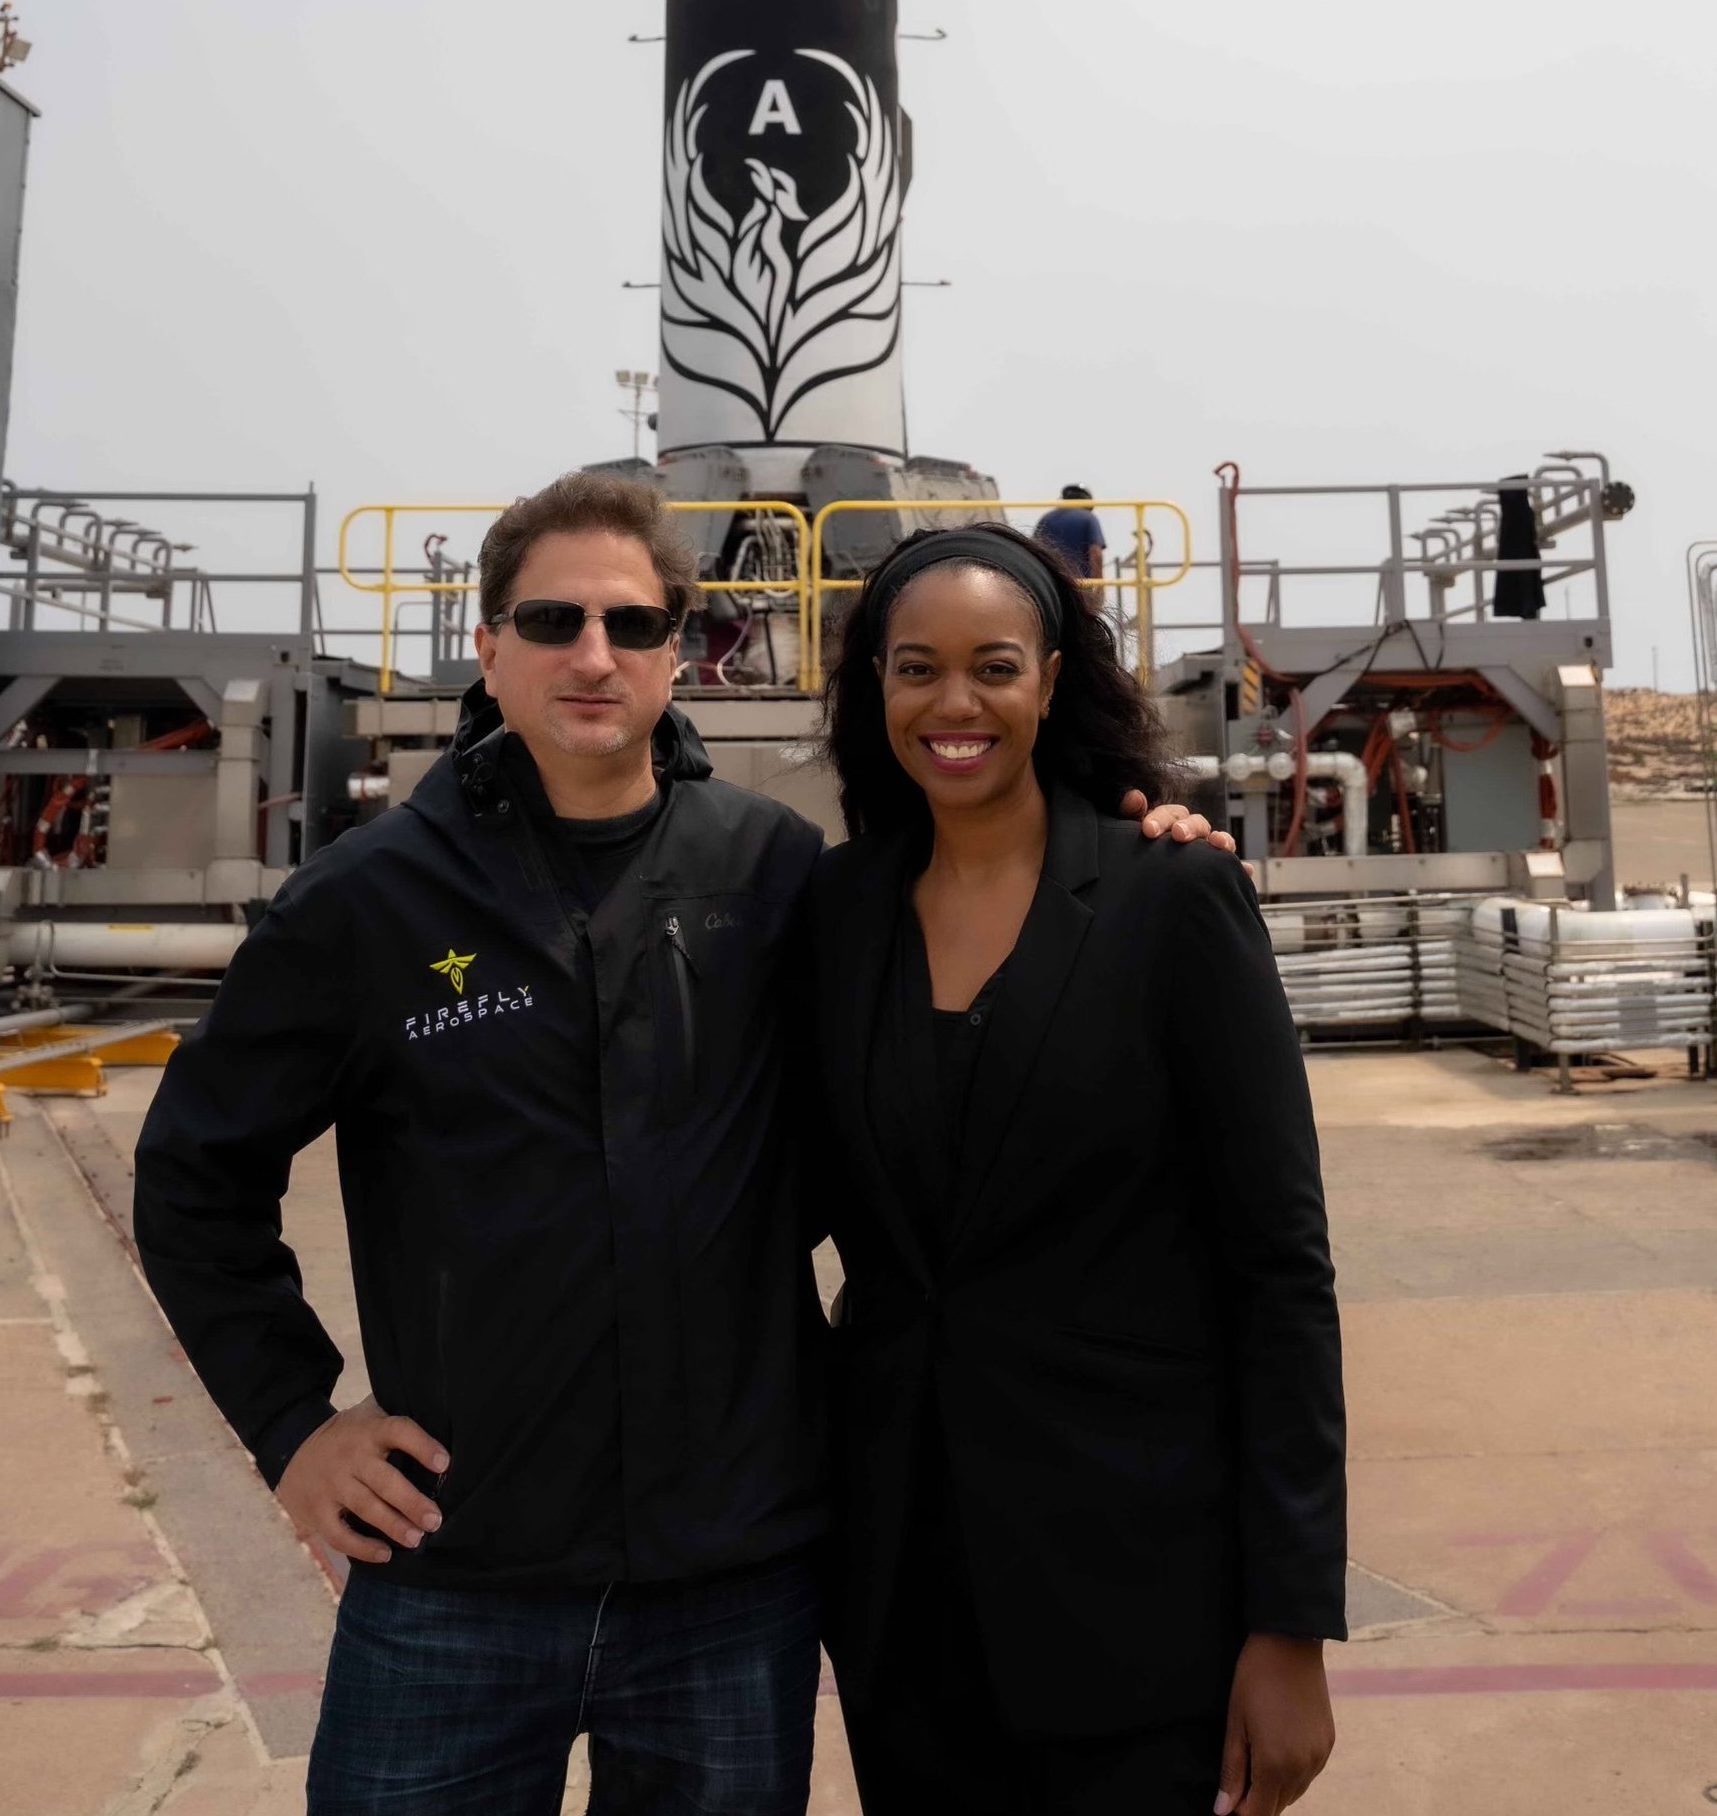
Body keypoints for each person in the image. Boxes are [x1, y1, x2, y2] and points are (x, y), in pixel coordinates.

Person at [132, 473, 1231, 1816]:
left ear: (679, 650)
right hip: (459, 1583)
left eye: (631, 625)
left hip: (728, 1592)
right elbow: (195, 1177)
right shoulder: (364, 904)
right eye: (550, 621)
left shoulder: (774, 877)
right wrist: (295, 1424)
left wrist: (1130, 840)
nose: (592, 656)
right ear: (487, 649)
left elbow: (975, 931)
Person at [810, 523, 1346, 1816]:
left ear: (1049, 681)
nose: (954, 703)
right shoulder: (832, 918)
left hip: (1139, 1608)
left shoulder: (1170, 902)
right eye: (913, 668)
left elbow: (1278, 1272)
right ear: (871, 689)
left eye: (992, 665)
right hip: (901, 1611)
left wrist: (1288, 1626)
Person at [1033, 483, 1106, 582]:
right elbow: (1096, 553)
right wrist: (1099, 586)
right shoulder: (1089, 518)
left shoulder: (1047, 518)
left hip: (1052, 583)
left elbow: (1034, 550)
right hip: (1080, 585)